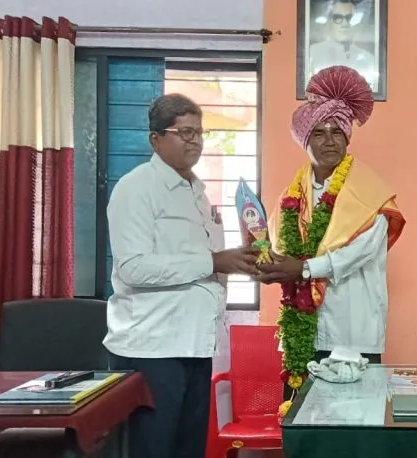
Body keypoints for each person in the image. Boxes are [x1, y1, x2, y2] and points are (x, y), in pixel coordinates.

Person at [103, 93, 260, 458]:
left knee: (188, 449)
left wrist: (248, 265)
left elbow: (210, 263)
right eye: (184, 132)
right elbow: (133, 268)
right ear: (155, 139)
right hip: (152, 348)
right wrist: (214, 262)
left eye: (199, 133)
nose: (195, 141)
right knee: (153, 449)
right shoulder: (136, 188)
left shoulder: (197, 191)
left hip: (194, 344)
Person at [258, 65, 405, 368]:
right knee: (301, 412)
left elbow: (357, 254)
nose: (329, 140)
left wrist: (301, 268)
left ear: (347, 138)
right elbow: (278, 249)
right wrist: (267, 265)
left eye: (337, 131)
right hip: (303, 332)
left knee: (355, 415)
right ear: (305, 141)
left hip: (353, 332)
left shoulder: (370, 192)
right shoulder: (291, 196)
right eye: (319, 133)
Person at [307, 0, 378, 90]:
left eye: (349, 18)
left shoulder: (369, 60)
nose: (345, 24)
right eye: (337, 18)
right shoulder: (311, 54)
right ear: (328, 23)